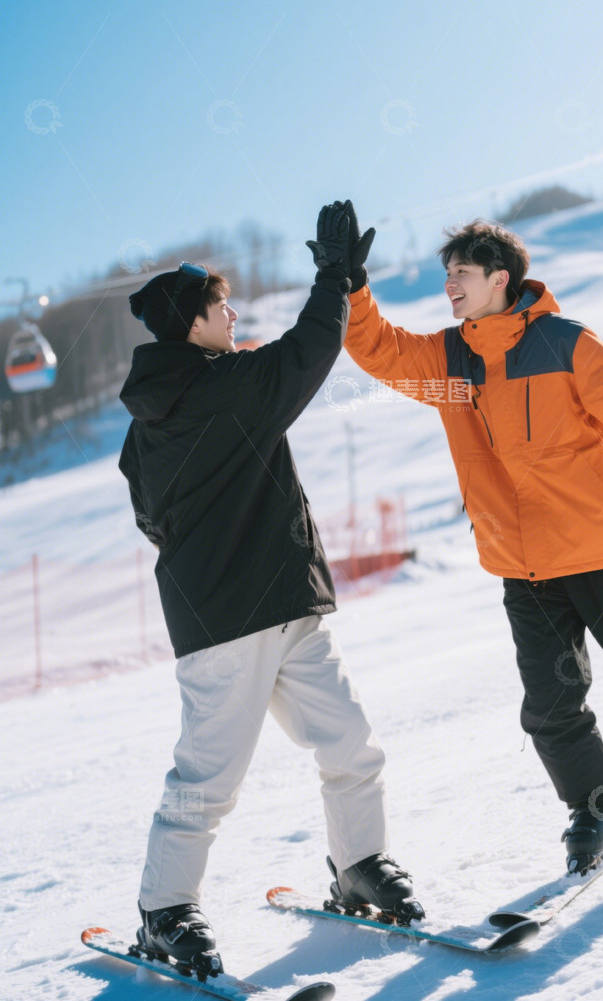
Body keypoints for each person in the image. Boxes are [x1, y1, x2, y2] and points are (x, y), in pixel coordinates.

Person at [340, 203, 603, 873]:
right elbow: (379, 350)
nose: (450, 285)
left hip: (601, 549)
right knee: (551, 706)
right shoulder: (449, 359)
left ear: (500, 277)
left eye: (462, 272)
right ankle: (597, 804)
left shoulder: (562, 341)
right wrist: (351, 287)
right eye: (447, 274)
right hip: (523, 565)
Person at [118, 205, 422, 976]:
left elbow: (150, 514)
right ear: (192, 325)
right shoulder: (228, 387)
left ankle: (361, 863)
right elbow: (309, 351)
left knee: (349, 740)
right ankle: (164, 911)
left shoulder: (154, 420)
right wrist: (334, 279)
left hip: (286, 605)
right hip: (228, 623)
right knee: (207, 778)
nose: (233, 313)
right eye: (221, 306)